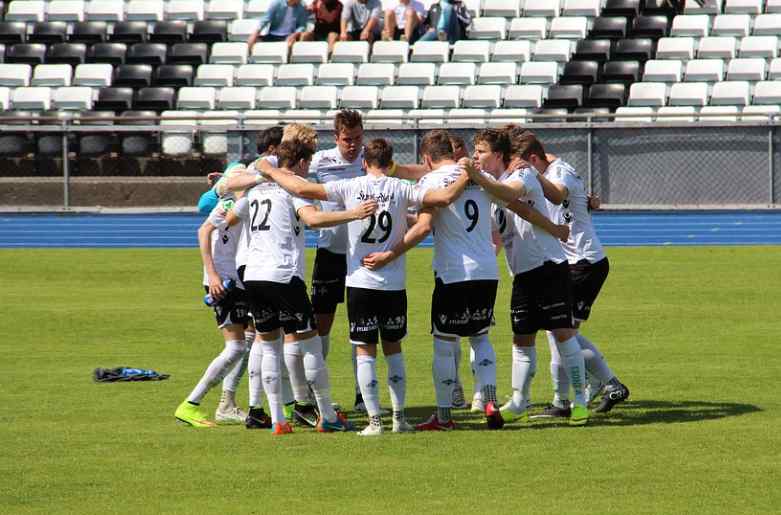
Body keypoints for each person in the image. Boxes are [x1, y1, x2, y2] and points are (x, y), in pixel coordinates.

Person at [261, 137, 471, 435]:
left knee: (365, 351)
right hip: (394, 282)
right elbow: (441, 198)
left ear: (364, 162)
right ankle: (399, 419)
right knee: (394, 350)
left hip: (360, 280)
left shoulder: (351, 186)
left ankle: (374, 422)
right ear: (390, 163)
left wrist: (268, 170)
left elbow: (301, 188)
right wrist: (467, 174)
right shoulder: (402, 188)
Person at [363, 130, 503, 431]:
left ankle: (443, 416)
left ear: (427, 158)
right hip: (486, 268)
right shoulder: (480, 176)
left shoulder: (430, 181)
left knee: (444, 342)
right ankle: (490, 400)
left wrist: (391, 252)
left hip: (453, 271)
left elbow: (424, 226)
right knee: (481, 337)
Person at [239, 139, 377, 435]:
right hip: (284, 274)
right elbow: (313, 219)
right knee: (311, 342)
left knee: (270, 346)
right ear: (301, 162)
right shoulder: (294, 185)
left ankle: (278, 420)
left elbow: (229, 209)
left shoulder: (256, 187)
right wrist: (352, 213)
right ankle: (326, 413)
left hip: (253, 274)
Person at [464, 130, 590, 427]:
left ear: (498, 155)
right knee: (521, 339)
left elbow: (510, 195)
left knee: (563, 333)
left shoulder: (522, 175)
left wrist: (477, 177)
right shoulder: (492, 185)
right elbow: (505, 214)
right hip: (522, 273)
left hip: (549, 267)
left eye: (481, 151)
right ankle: (520, 401)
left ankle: (580, 402)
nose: (476, 157)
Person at [509, 131, 630, 417]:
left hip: (582, 263)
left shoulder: (558, 171)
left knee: (561, 333)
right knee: (559, 331)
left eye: (523, 166)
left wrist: (532, 176)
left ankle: (602, 386)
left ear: (534, 160)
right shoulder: (551, 170)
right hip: (576, 262)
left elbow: (560, 192)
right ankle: (571, 396)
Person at [173, 194, 256, 428]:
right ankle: (190, 405)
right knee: (237, 347)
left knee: (250, 339)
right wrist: (212, 275)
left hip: (241, 278)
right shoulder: (233, 201)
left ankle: (227, 404)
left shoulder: (248, 198)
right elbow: (204, 230)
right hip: (223, 279)